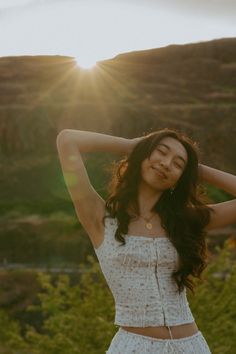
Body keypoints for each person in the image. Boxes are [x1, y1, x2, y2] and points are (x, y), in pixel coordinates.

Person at [56, 127, 236, 353]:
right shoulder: (99, 217)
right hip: (134, 347)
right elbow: (67, 140)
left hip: (191, 346)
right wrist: (132, 146)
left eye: (178, 164)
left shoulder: (185, 220)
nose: (166, 163)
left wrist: (196, 170)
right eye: (161, 152)